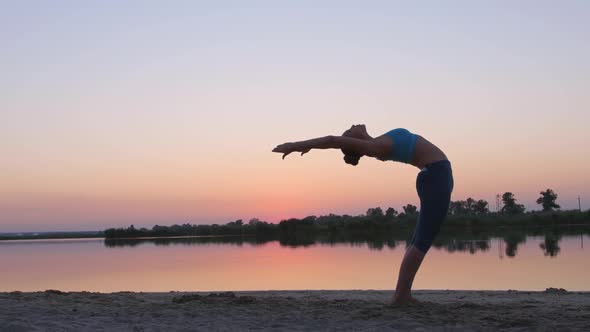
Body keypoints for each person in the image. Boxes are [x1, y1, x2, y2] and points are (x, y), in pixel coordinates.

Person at [272, 124, 453, 305]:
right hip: (436, 176)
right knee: (422, 240)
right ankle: (401, 296)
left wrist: (308, 146)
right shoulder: (376, 147)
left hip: (434, 175)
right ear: (355, 141)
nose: (352, 126)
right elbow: (332, 140)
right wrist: (295, 145)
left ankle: (402, 294)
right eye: (349, 132)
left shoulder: (376, 144)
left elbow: (339, 141)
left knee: (418, 240)